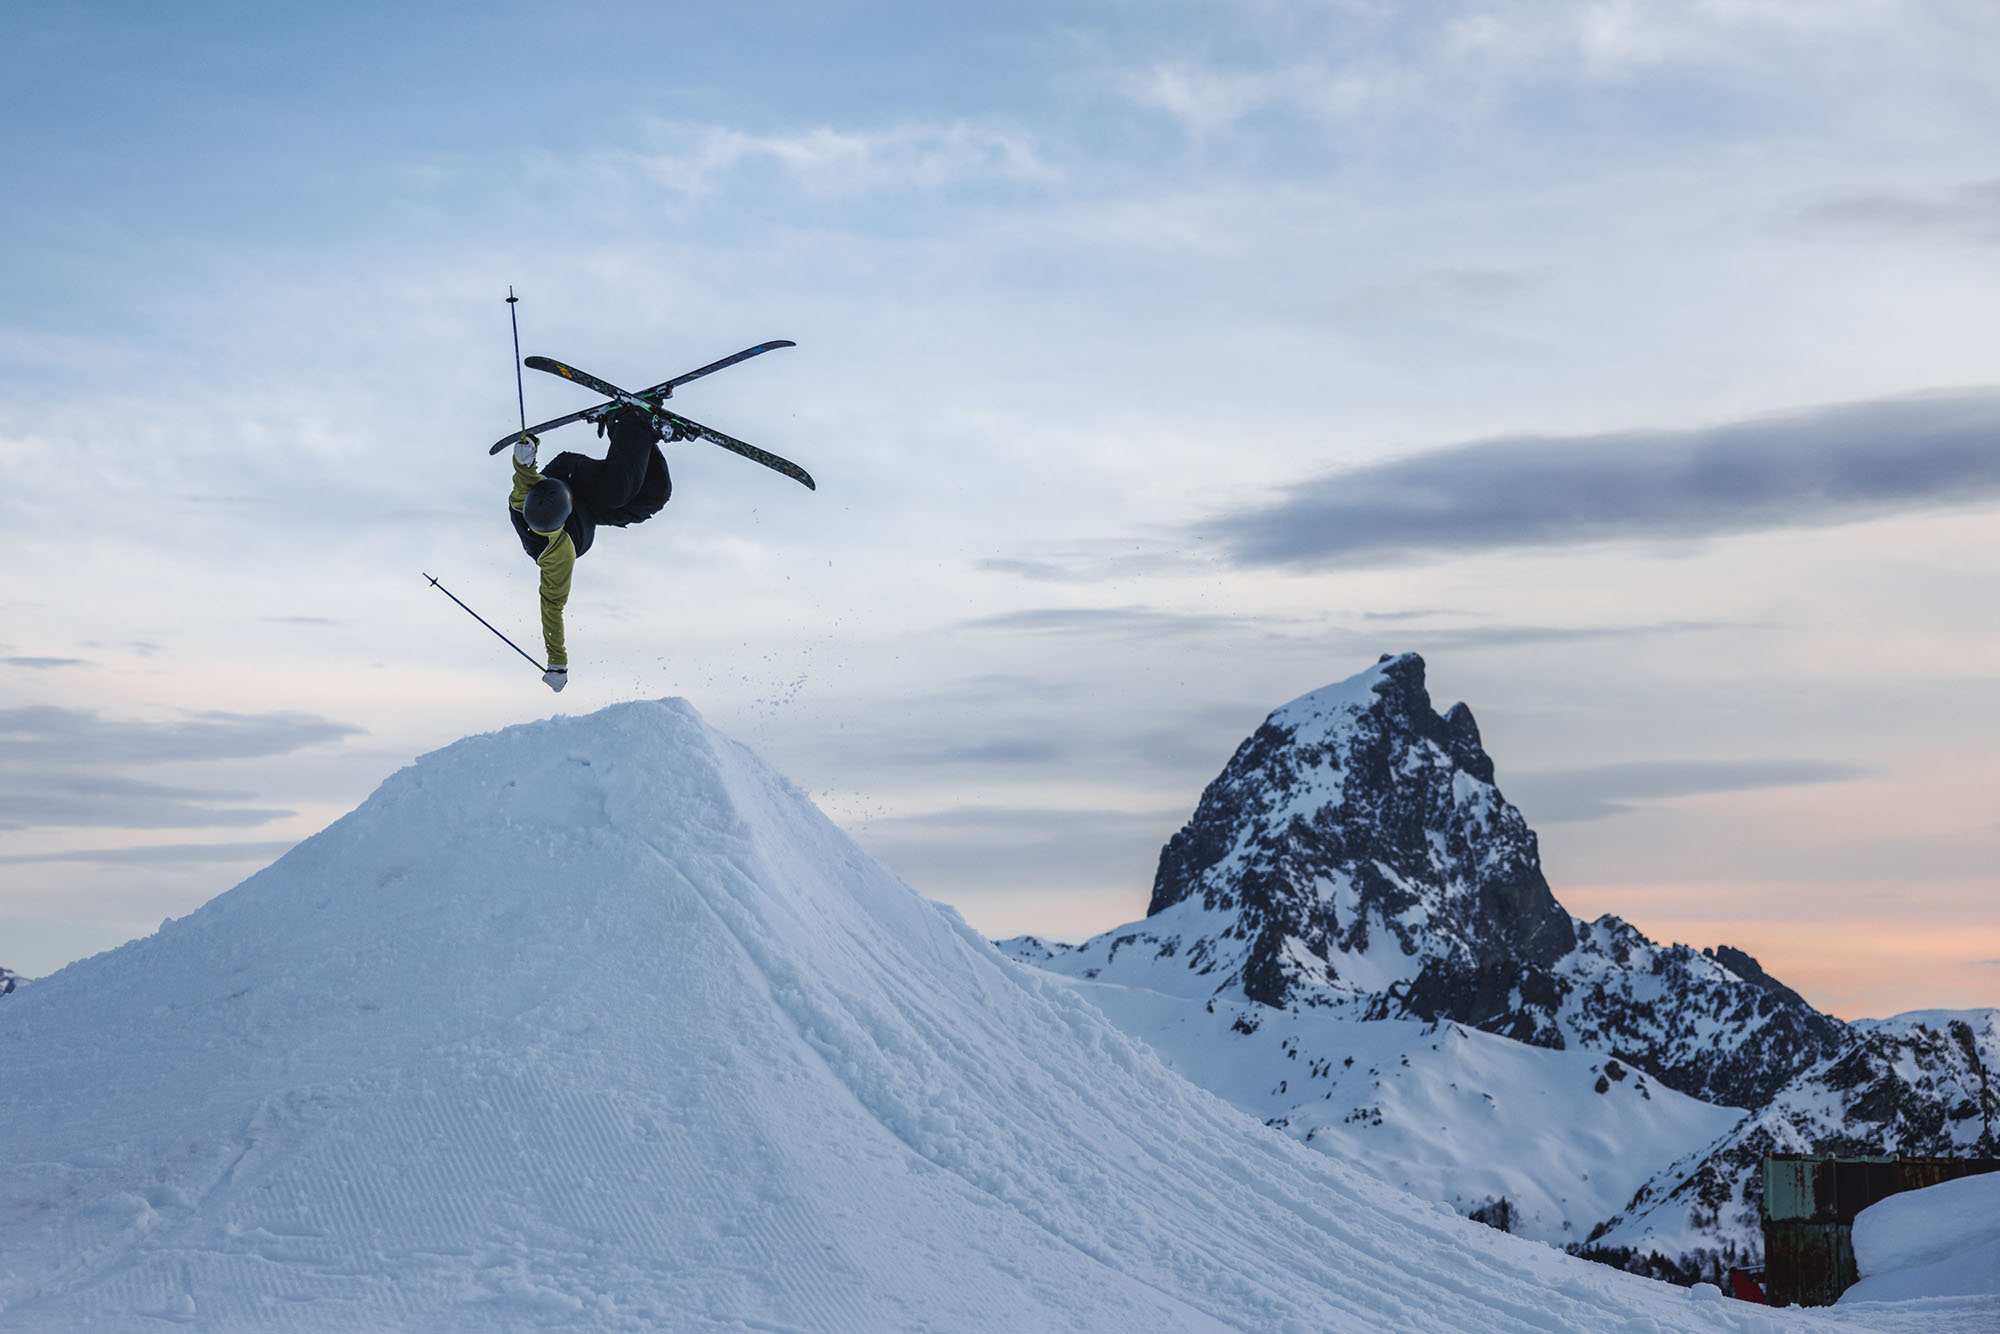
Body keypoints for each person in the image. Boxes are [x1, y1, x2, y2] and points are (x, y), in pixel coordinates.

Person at [508, 407, 674, 691]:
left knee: (617, 489)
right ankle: (636, 432)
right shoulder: (555, 559)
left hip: (568, 476)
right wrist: (557, 662)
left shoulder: (526, 496)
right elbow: (551, 607)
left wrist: (525, 453)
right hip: (586, 510)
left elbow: (524, 472)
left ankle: (629, 421)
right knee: (654, 494)